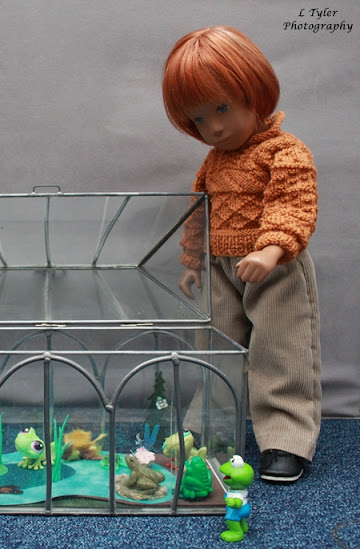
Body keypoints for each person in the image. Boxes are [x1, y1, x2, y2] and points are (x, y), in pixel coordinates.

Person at [161, 26, 321, 483]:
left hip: (274, 266)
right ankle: (209, 427)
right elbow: (200, 211)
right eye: (198, 120)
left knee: (281, 348)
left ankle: (286, 439)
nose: (213, 127)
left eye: (222, 108)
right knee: (216, 346)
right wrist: (193, 261)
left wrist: (271, 250)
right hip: (220, 267)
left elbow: (293, 203)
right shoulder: (213, 162)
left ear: (253, 92)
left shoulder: (284, 151)